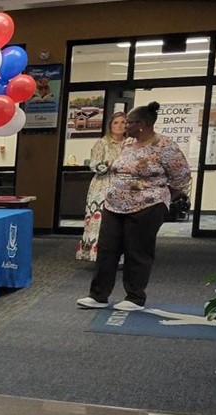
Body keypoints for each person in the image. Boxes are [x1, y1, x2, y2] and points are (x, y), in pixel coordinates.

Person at [77, 102, 191, 311]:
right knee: (107, 249)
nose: (124, 126)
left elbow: (181, 177)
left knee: (137, 251)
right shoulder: (128, 144)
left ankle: (135, 297)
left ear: (142, 124)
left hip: (148, 206)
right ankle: (98, 295)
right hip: (114, 204)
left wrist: (161, 198)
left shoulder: (165, 146)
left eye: (129, 122)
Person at [76, 112, 128, 262]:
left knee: (120, 223)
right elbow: (93, 165)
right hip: (102, 186)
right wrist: (106, 164)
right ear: (110, 126)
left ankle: (119, 257)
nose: (120, 125)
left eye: (123, 122)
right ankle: (97, 254)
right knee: (100, 221)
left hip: (122, 186)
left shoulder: (129, 144)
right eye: (116, 122)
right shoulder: (102, 143)